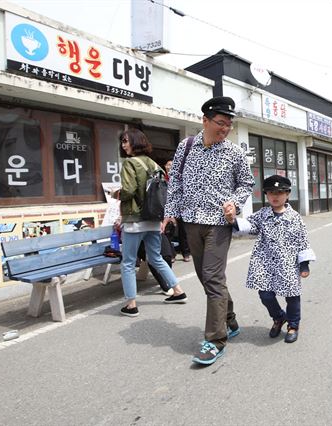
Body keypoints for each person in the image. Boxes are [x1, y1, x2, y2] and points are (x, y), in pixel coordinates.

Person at [163, 96, 254, 366]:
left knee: (213, 278)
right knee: (206, 278)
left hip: (218, 224)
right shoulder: (186, 146)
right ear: (205, 120)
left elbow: (246, 183)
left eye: (229, 124)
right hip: (191, 221)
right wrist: (170, 211)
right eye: (220, 123)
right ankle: (230, 319)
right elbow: (175, 180)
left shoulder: (234, 152)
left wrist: (234, 204)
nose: (225, 129)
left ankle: (215, 340)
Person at [225, 175, 316, 344]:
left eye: (280, 192)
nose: (275, 196)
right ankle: (279, 317)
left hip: (288, 263)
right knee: (265, 295)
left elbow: (302, 240)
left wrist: (304, 264)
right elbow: (249, 227)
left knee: (292, 295)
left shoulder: (294, 217)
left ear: (287, 194)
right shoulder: (262, 214)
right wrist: (232, 220)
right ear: (266, 195)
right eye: (271, 192)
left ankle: (293, 325)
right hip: (265, 262)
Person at [114, 129, 187, 317]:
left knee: (128, 262)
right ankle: (177, 291)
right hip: (153, 219)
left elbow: (129, 190)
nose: (123, 144)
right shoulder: (155, 164)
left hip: (135, 220)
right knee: (156, 258)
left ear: (135, 142)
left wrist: (117, 194)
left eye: (126, 141)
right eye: (122, 141)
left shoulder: (130, 163)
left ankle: (131, 304)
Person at [164, 159, 192, 262]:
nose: (169, 167)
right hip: (168, 209)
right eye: (167, 165)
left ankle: (186, 253)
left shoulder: (180, 179)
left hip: (181, 209)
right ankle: (171, 254)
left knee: (183, 233)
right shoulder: (163, 180)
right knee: (168, 233)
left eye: (171, 165)